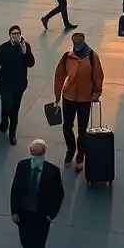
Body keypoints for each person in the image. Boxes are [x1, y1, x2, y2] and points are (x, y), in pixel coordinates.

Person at [52, 31, 104, 169]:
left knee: (82, 130)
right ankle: (71, 149)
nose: (77, 46)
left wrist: (97, 92)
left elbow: (98, 76)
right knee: (67, 126)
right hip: (68, 96)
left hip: (84, 99)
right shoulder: (67, 57)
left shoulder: (93, 57)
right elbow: (59, 75)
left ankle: (80, 155)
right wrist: (57, 95)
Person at [10, 139, 64, 248]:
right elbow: (16, 188)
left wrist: (51, 215)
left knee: (39, 245)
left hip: (41, 216)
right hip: (24, 214)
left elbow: (58, 194)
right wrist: (14, 210)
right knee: (25, 240)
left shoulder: (53, 171)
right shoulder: (22, 166)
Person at [0, 25, 35, 145]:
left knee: (15, 109)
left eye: (18, 33)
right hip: (5, 83)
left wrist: (26, 53)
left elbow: (31, 63)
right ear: (10, 35)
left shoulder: (25, 46)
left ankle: (12, 134)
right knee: (6, 105)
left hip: (19, 84)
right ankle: (4, 120)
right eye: (14, 34)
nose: (16, 36)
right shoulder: (3, 48)